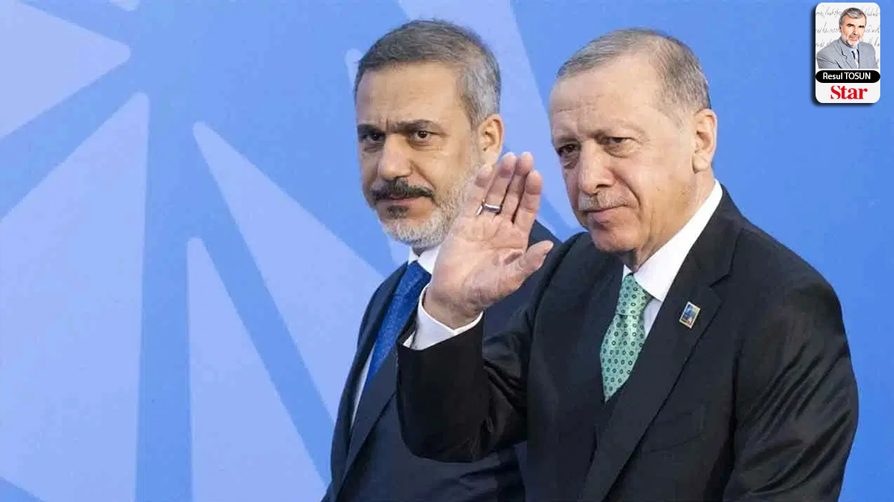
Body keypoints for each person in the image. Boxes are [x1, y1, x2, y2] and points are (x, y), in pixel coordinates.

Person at [396, 28, 859, 501]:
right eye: (569, 150)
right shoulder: (570, 271)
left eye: (615, 141)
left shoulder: (783, 307)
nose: (587, 179)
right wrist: (450, 309)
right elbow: (451, 435)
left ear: (700, 140)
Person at [322, 19, 558, 502]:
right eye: (372, 137)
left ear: (488, 139)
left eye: (420, 134)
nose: (389, 166)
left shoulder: (555, 291)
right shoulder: (392, 295)